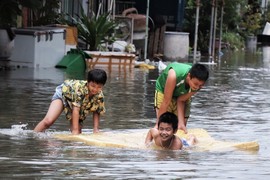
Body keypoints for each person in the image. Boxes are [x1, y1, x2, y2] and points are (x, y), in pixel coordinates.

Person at [34, 69, 107, 135]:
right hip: (63, 94)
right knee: (48, 121)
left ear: (102, 86)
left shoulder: (99, 95)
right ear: (87, 82)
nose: (95, 89)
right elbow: (76, 110)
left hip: (77, 103)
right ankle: (33, 135)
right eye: (93, 86)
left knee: (78, 131)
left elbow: (97, 111)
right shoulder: (80, 89)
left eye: (99, 87)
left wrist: (96, 129)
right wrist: (75, 130)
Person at [154, 62, 209, 133]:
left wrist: (181, 123)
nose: (197, 87)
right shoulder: (173, 76)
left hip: (181, 93)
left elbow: (181, 100)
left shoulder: (197, 85)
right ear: (189, 76)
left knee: (180, 126)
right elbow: (166, 101)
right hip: (164, 91)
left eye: (201, 85)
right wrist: (158, 124)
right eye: (196, 84)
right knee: (165, 125)